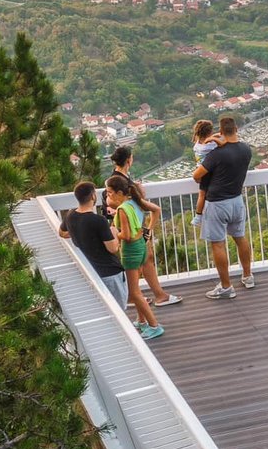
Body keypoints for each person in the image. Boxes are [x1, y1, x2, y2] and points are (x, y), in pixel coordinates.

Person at [109, 145, 180, 308]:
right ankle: (140, 297)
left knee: (143, 261)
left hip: (131, 228)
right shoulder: (120, 181)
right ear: (129, 160)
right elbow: (115, 202)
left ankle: (141, 296)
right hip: (130, 229)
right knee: (138, 263)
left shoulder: (119, 178)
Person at [193, 116, 254, 299]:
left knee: (218, 244)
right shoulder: (246, 150)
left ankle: (227, 287)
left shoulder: (216, 154)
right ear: (236, 128)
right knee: (240, 238)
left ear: (220, 131)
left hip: (217, 203)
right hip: (237, 200)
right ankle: (247, 276)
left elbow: (197, 176)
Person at [106, 175, 164, 340]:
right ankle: (141, 319)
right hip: (142, 246)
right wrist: (149, 230)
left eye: (110, 193)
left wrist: (115, 234)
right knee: (136, 287)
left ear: (118, 193)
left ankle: (154, 326)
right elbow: (156, 211)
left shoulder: (123, 209)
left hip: (131, 250)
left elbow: (127, 235)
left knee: (134, 291)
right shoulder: (134, 202)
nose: (108, 196)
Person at [59, 180, 128, 309]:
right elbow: (113, 248)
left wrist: (79, 234)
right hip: (110, 272)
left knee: (103, 310)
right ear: (93, 196)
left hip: (92, 271)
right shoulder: (98, 220)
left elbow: (62, 233)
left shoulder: (70, 215)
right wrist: (114, 233)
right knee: (118, 310)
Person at [189, 119, 223, 229]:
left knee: (201, 195)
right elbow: (223, 145)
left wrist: (215, 135)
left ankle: (198, 216)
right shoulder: (210, 146)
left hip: (200, 170)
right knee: (204, 195)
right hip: (208, 172)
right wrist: (215, 138)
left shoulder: (197, 144)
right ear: (209, 133)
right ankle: (199, 217)